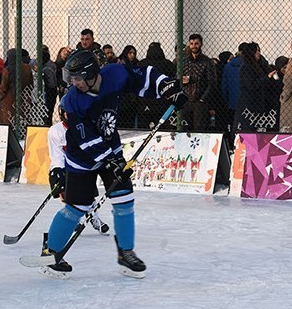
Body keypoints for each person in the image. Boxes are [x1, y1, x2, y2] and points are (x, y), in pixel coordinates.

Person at [40, 49, 187, 279]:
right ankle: (51, 251)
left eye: (78, 79)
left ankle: (126, 253)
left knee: (124, 197)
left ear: (90, 75)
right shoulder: (72, 101)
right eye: (72, 79)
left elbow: (142, 76)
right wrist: (110, 161)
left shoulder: (115, 74)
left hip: (110, 147)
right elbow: (86, 138)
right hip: (83, 158)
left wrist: (166, 86)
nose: (74, 83)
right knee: (77, 206)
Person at [44, 104, 110, 250]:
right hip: (62, 166)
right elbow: (56, 154)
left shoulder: (85, 128)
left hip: (80, 167)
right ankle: (72, 221)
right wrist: (59, 171)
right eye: (66, 112)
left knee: (86, 195)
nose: (69, 115)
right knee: (67, 197)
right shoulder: (55, 131)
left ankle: (94, 218)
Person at [234, 42, 276, 132]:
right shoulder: (246, 67)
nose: (259, 54)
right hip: (249, 105)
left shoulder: (259, 65)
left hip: (256, 104)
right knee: (248, 129)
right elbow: (251, 85)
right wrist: (267, 77)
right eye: (257, 51)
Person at [181, 34, 217, 131]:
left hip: (199, 101)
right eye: (191, 43)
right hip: (186, 99)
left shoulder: (207, 62)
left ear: (201, 44)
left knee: (199, 129)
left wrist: (202, 99)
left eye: (196, 43)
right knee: (185, 129)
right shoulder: (184, 61)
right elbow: (178, 78)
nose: (194, 46)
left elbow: (212, 83)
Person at [139, 42, 177, 129]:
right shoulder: (167, 64)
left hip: (146, 98)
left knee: (144, 124)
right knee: (162, 123)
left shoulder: (143, 64)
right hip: (162, 98)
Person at [0, 48, 33, 126]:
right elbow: (31, 85)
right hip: (24, 98)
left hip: (9, 100)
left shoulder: (7, 70)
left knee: (9, 123)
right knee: (23, 121)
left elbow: (3, 88)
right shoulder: (27, 68)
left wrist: (0, 96)